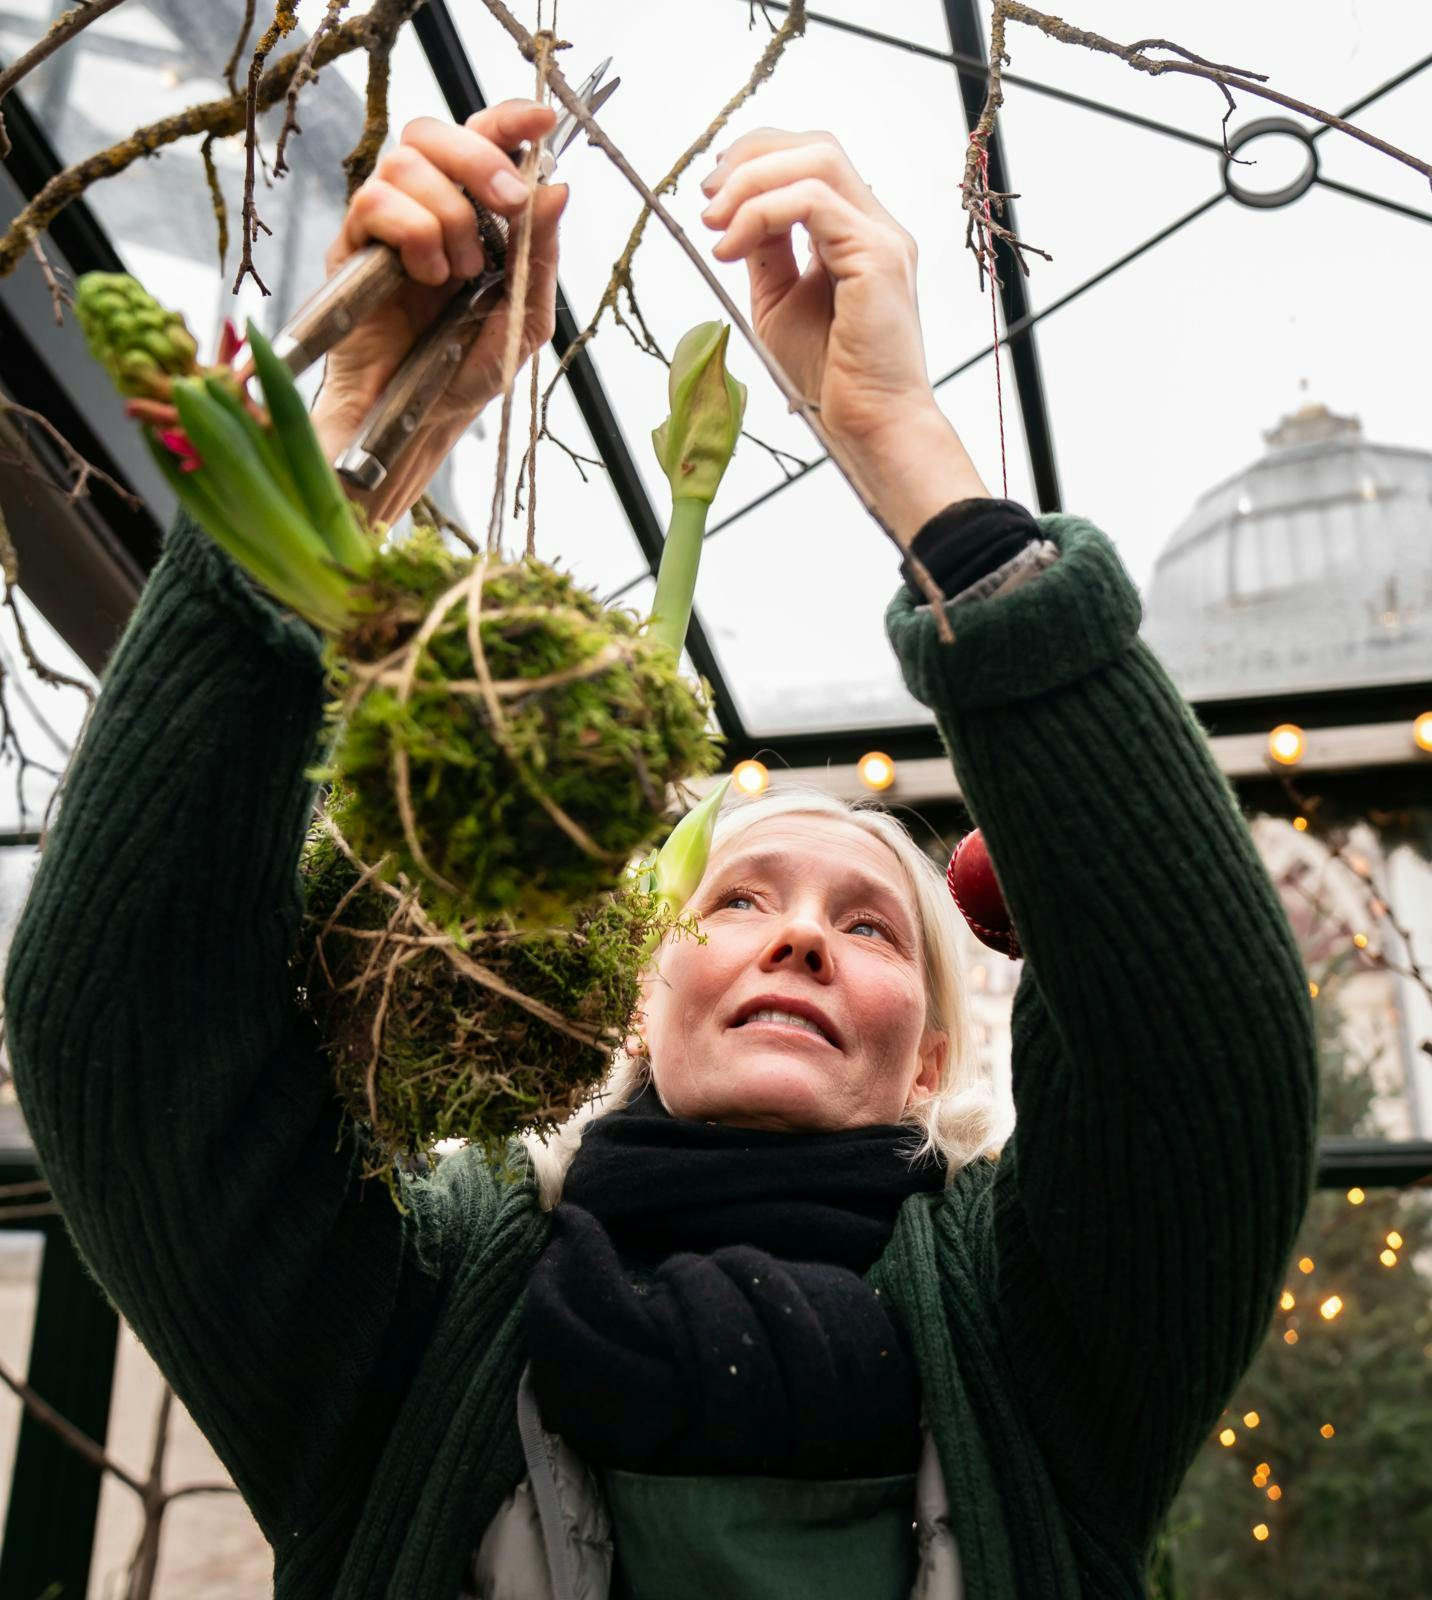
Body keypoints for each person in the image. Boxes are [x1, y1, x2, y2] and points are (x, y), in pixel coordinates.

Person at [3, 99, 1318, 1600]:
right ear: (635, 992)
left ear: (939, 1066)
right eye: (740, 897)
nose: (805, 934)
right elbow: (130, 1026)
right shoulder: (419, 1326)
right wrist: (365, 411)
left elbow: (1205, 1056)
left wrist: (905, 446)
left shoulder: (1039, 1341)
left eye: (876, 929)